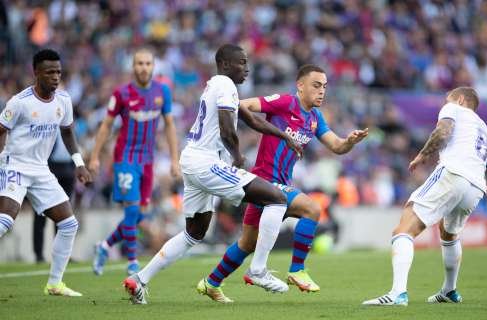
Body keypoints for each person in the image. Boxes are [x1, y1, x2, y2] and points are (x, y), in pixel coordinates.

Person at [122, 44, 302, 304]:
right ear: (226, 64)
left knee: (194, 233)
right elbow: (227, 127)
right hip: (207, 163)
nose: (247, 68)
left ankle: (139, 280)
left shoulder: (217, 86)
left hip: (194, 161)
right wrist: (238, 157)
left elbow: (251, 119)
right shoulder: (225, 85)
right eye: (242, 62)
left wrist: (283, 135)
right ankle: (258, 270)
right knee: (276, 199)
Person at [198, 64, 368, 300]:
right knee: (312, 209)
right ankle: (297, 270)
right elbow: (243, 105)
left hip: (278, 183)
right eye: (316, 85)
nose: (322, 91)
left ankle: (211, 282)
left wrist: (350, 141)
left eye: (325, 87)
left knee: (246, 244)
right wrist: (256, 128)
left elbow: (337, 146)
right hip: (264, 182)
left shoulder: (315, 118)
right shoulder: (285, 102)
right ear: (300, 86)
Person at [362, 87, 487, 306]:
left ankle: (397, 293)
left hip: (453, 173)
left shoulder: (454, 109)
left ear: (459, 99)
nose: (443, 104)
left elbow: (442, 132)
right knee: (449, 234)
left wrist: (421, 156)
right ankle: (449, 290)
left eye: (446, 101)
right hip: (475, 188)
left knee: (404, 228)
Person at [0, 49, 92, 296]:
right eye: (50, 72)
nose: (55, 77)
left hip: (41, 169)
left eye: (58, 72)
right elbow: (1, 130)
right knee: (5, 221)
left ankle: (54, 284)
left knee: (69, 224)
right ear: (36, 73)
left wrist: (79, 163)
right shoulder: (19, 103)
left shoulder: (63, 100)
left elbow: (67, 132)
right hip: (15, 165)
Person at [89, 48, 180, 276]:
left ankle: (104, 246)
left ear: (153, 66)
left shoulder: (163, 92)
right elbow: (106, 126)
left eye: (148, 63)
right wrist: (94, 157)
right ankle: (133, 263)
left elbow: (169, 125)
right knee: (131, 212)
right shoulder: (121, 93)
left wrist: (174, 159)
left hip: (147, 160)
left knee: (140, 215)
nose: (144, 67)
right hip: (126, 158)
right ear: (133, 66)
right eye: (139, 63)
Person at [33, 132, 75, 263]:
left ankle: (61, 256)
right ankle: (39, 255)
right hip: (49, 168)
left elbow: (72, 145)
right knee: (40, 215)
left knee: (64, 216)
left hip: (68, 170)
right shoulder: (49, 125)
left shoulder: (69, 126)